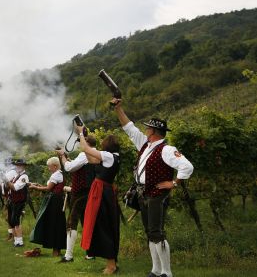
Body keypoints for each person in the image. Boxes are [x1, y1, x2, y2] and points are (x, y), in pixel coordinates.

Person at [111, 98, 194, 277]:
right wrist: (118, 109)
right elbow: (129, 128)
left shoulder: (167, 149)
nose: (145, 129)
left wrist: (173, 183)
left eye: (148, 128)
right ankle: (156, 270)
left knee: (157, 232)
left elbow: (187, 166)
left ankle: (167, 272)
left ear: (153, 132)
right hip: (143, 193)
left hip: (157, 194)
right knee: (150, 233)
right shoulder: (145, 145)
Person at [77, 127, 121, 275]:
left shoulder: (108, 156)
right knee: (104, 226)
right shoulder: (113, 157)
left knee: (103, 227)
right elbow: (91, 158)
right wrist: (84, 141)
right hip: (104, 192)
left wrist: (80, 134)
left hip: (101, 193)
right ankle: (112, 262)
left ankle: (111, 265)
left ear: (106, 146)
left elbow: (84, 148)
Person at [56, 135, 97, 263]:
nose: (80, 145)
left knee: (71, 222)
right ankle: (90, 253)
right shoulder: (94, 154)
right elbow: (76, 166)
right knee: (86, 222)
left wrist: (62, 156)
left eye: (81, 142)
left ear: (87, 143)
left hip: (81, 194)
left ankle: (69, 256)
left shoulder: (85, 155)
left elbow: (69, 167)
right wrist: (66, 157)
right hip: (87, 193)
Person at [29, 156, 67, 257]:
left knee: (54, 223)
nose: (49, 169)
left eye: (49, 167)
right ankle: (57, 249)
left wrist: (35, 187)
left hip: (55, 201)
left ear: (55, 166)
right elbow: (50, 188)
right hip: (56, 200)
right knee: (56, 223)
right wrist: (39, 185)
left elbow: (48, 189)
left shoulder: (56, 175)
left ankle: (56, 250)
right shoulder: (59, 174)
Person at [4, 158, 30, 247]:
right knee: (12, 221)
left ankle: (20, 241)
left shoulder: (24, 176)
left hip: (19, 202)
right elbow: (9, 186)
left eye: (19, 165)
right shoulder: (16, 176)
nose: (18, 167)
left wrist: (6, 180)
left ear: (23, 166)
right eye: (17, 165)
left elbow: (15, 187)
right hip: (13, 201)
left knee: (17, 222)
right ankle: (16, 241)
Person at [1, 158, 18, 241]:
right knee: (7, 217)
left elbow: (7, 183)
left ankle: (14, 235)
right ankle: (10, 234)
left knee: (10, 217)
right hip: (6, 196)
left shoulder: (13, 172)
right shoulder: (7, 172)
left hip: (11, 196)